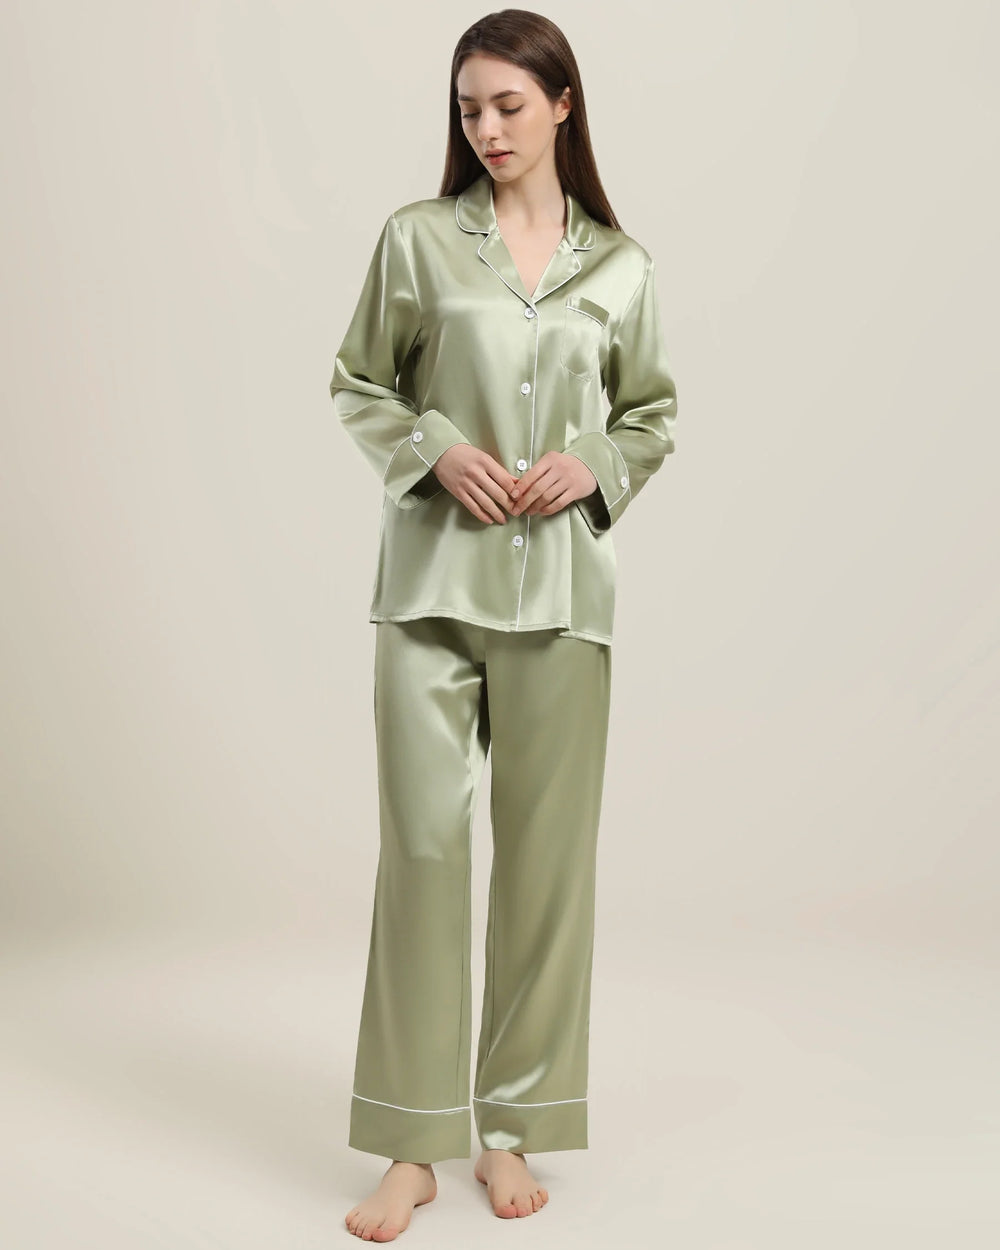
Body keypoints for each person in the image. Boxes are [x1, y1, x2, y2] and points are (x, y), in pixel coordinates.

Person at [329, 9, 678, 1241]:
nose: (485, 127)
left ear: (562, 104)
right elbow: (359, 381)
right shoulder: (417, 240)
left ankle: (511, 1126)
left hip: (563, 599)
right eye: (468, 107)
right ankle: (412, 1144)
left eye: (508, 105)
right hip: (430, 591)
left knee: (544, 867)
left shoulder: (622, 266)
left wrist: (596, 464)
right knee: (422, 854)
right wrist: (436, 447)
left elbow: (649, 414)